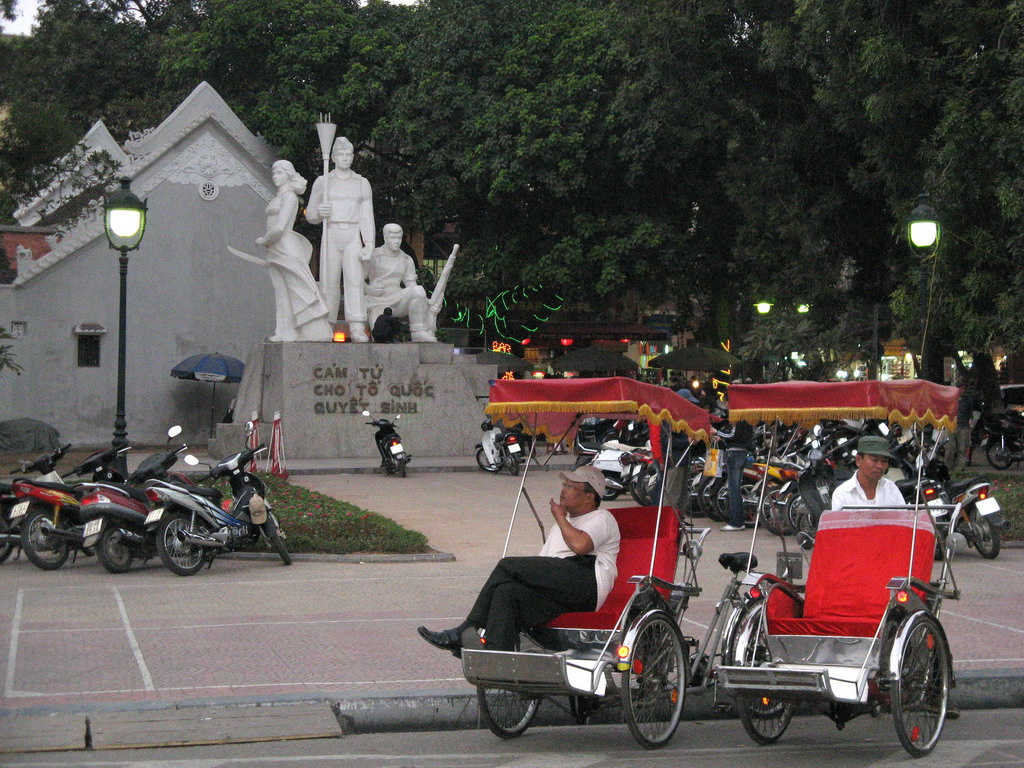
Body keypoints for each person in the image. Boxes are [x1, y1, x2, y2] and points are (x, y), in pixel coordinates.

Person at [417, 465, 620, 654]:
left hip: (586, 584)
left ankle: (465, 628)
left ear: (589, 497)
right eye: (564, 484)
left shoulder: (602, 518)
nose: (564, 490)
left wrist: (559, 517)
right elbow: (545, 563)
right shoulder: (562, 525)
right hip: (560, 588)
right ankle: (495, 656)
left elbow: (581, 546)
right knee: (507, 592)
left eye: (571, 486)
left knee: (507, 565)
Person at [305, 137, 375, 341]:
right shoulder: (323, 182)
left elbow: (366, 216)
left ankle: (356, 326)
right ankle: (326, 324)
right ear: (333, 157)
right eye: (340, 155)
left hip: (353, 234)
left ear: (353, 157)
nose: (344, 158)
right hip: (331, 234)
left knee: (355, 281)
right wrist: (319, 211)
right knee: (329, 282)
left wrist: (369, 243)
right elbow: (310, 215)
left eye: (348, 155)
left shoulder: (361, 183)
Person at [256, 160, 333, 342]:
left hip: (285, 246)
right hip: (274, 248)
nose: (275, 176)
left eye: (280, 173)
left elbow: (280, 227)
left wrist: (263, 239)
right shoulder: (278, 198)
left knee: (295, 290)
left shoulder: (289, 198)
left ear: (289, 175)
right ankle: (284, 331)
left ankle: (302, 330)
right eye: (274, 173)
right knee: (280, 291)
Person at [365, 223, 435, 342]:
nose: (397, 241)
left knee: (419, 291)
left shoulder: (406, 259)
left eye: (399, 238)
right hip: (377, 301)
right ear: (385, 238)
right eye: (393, 238)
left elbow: (411, 285)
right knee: (380, 335)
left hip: (398, 299)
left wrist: (423, 299)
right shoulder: (373, 256)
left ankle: (418, 332)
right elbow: (355, 281)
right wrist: (368, 289)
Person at [830, 435, 904, 510]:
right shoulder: (842, 494)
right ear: (858, 460)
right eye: (874, 460)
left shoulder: (892, 489)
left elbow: (904, 519)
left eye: (884, 461)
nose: (880, 466)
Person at [712, 408, 753, 532]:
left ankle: (736, 522)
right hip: (742, 454)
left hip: (735, 455)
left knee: (733, 489)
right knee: (735, 489)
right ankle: (739, 521)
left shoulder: (739, 419)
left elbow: (733, 435)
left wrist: (717, 432)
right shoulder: (748, 419)